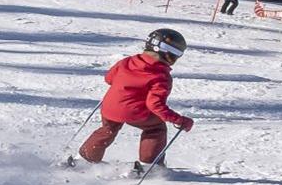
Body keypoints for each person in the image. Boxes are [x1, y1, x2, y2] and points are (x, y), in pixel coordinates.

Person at [75, 28, 194, 176]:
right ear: (167, 53)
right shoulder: (160, 75)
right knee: (155, 129)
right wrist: (179, 120)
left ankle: (85, 159)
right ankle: (149, 165)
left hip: (110, 106)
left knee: (108, 129)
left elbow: (109, 79)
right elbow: (155, 105)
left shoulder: (126, 61)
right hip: (134, 112)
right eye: (177, 55)